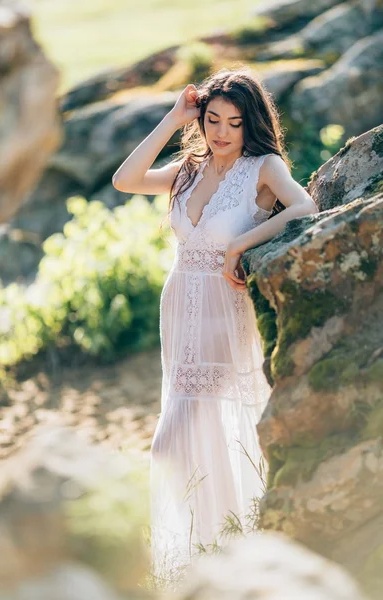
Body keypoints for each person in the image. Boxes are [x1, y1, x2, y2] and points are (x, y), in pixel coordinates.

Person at [112, 67, 318, 582]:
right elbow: (125, 180)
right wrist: (173, 116)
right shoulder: (187, 168)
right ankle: (212, 550)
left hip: (224, 310)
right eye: (211, 119)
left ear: (251, 124)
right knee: (194, 425)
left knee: (176, 436)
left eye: (233, 122)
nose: (221, 132)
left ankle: (218, 549)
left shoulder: (263, 166)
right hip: (181, 304)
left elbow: (304, 207)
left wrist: (238, 244)